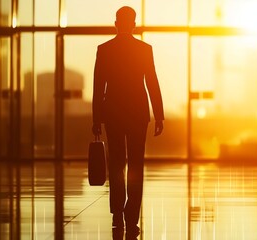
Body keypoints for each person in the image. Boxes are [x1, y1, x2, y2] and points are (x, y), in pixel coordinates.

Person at [92, 6, 164, 239]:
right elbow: (152, 82)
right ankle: (131, 215)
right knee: (135, 164)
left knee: (116, 163)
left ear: (116, 23)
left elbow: (98, 86)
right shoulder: (144, 49)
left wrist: (96, 118)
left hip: (113, 112)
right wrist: (159, 114)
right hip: (137, 113)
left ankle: (116, 211)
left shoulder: (105, 50)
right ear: (133, 24)